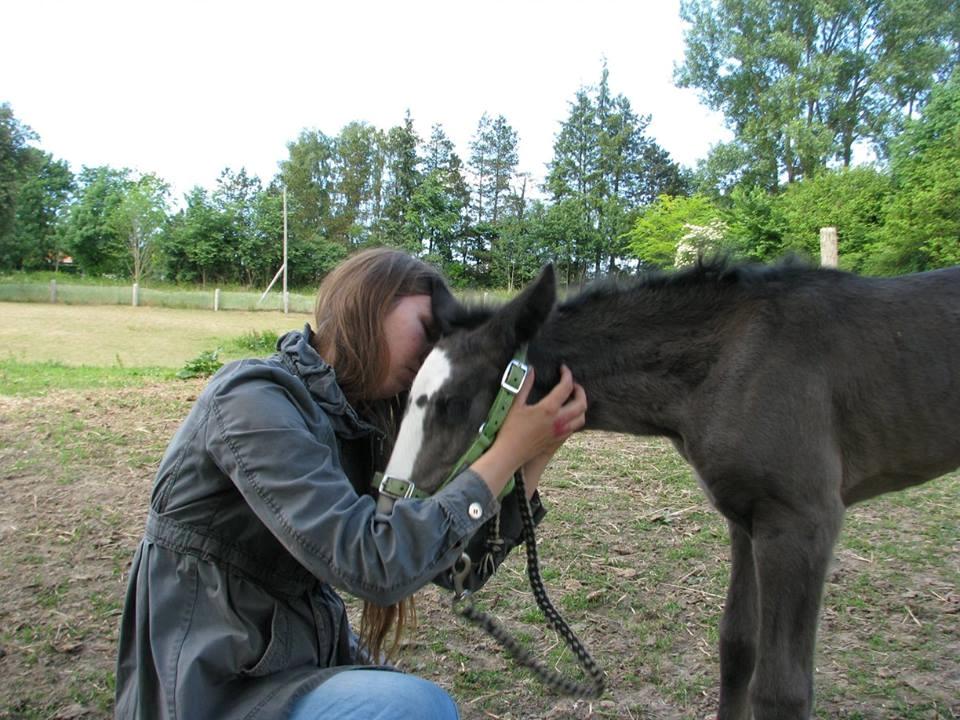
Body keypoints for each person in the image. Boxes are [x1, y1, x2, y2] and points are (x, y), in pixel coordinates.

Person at [114, 247, 588, 719]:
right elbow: (374, 565)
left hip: (287, 663)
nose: (430, 356)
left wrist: (534, 453)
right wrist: (506, 453)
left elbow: (456, 567)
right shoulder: (253, 400)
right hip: (211, 686)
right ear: (367, 302)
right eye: (427, 331)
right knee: (415, 709)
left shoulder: (361, 423)